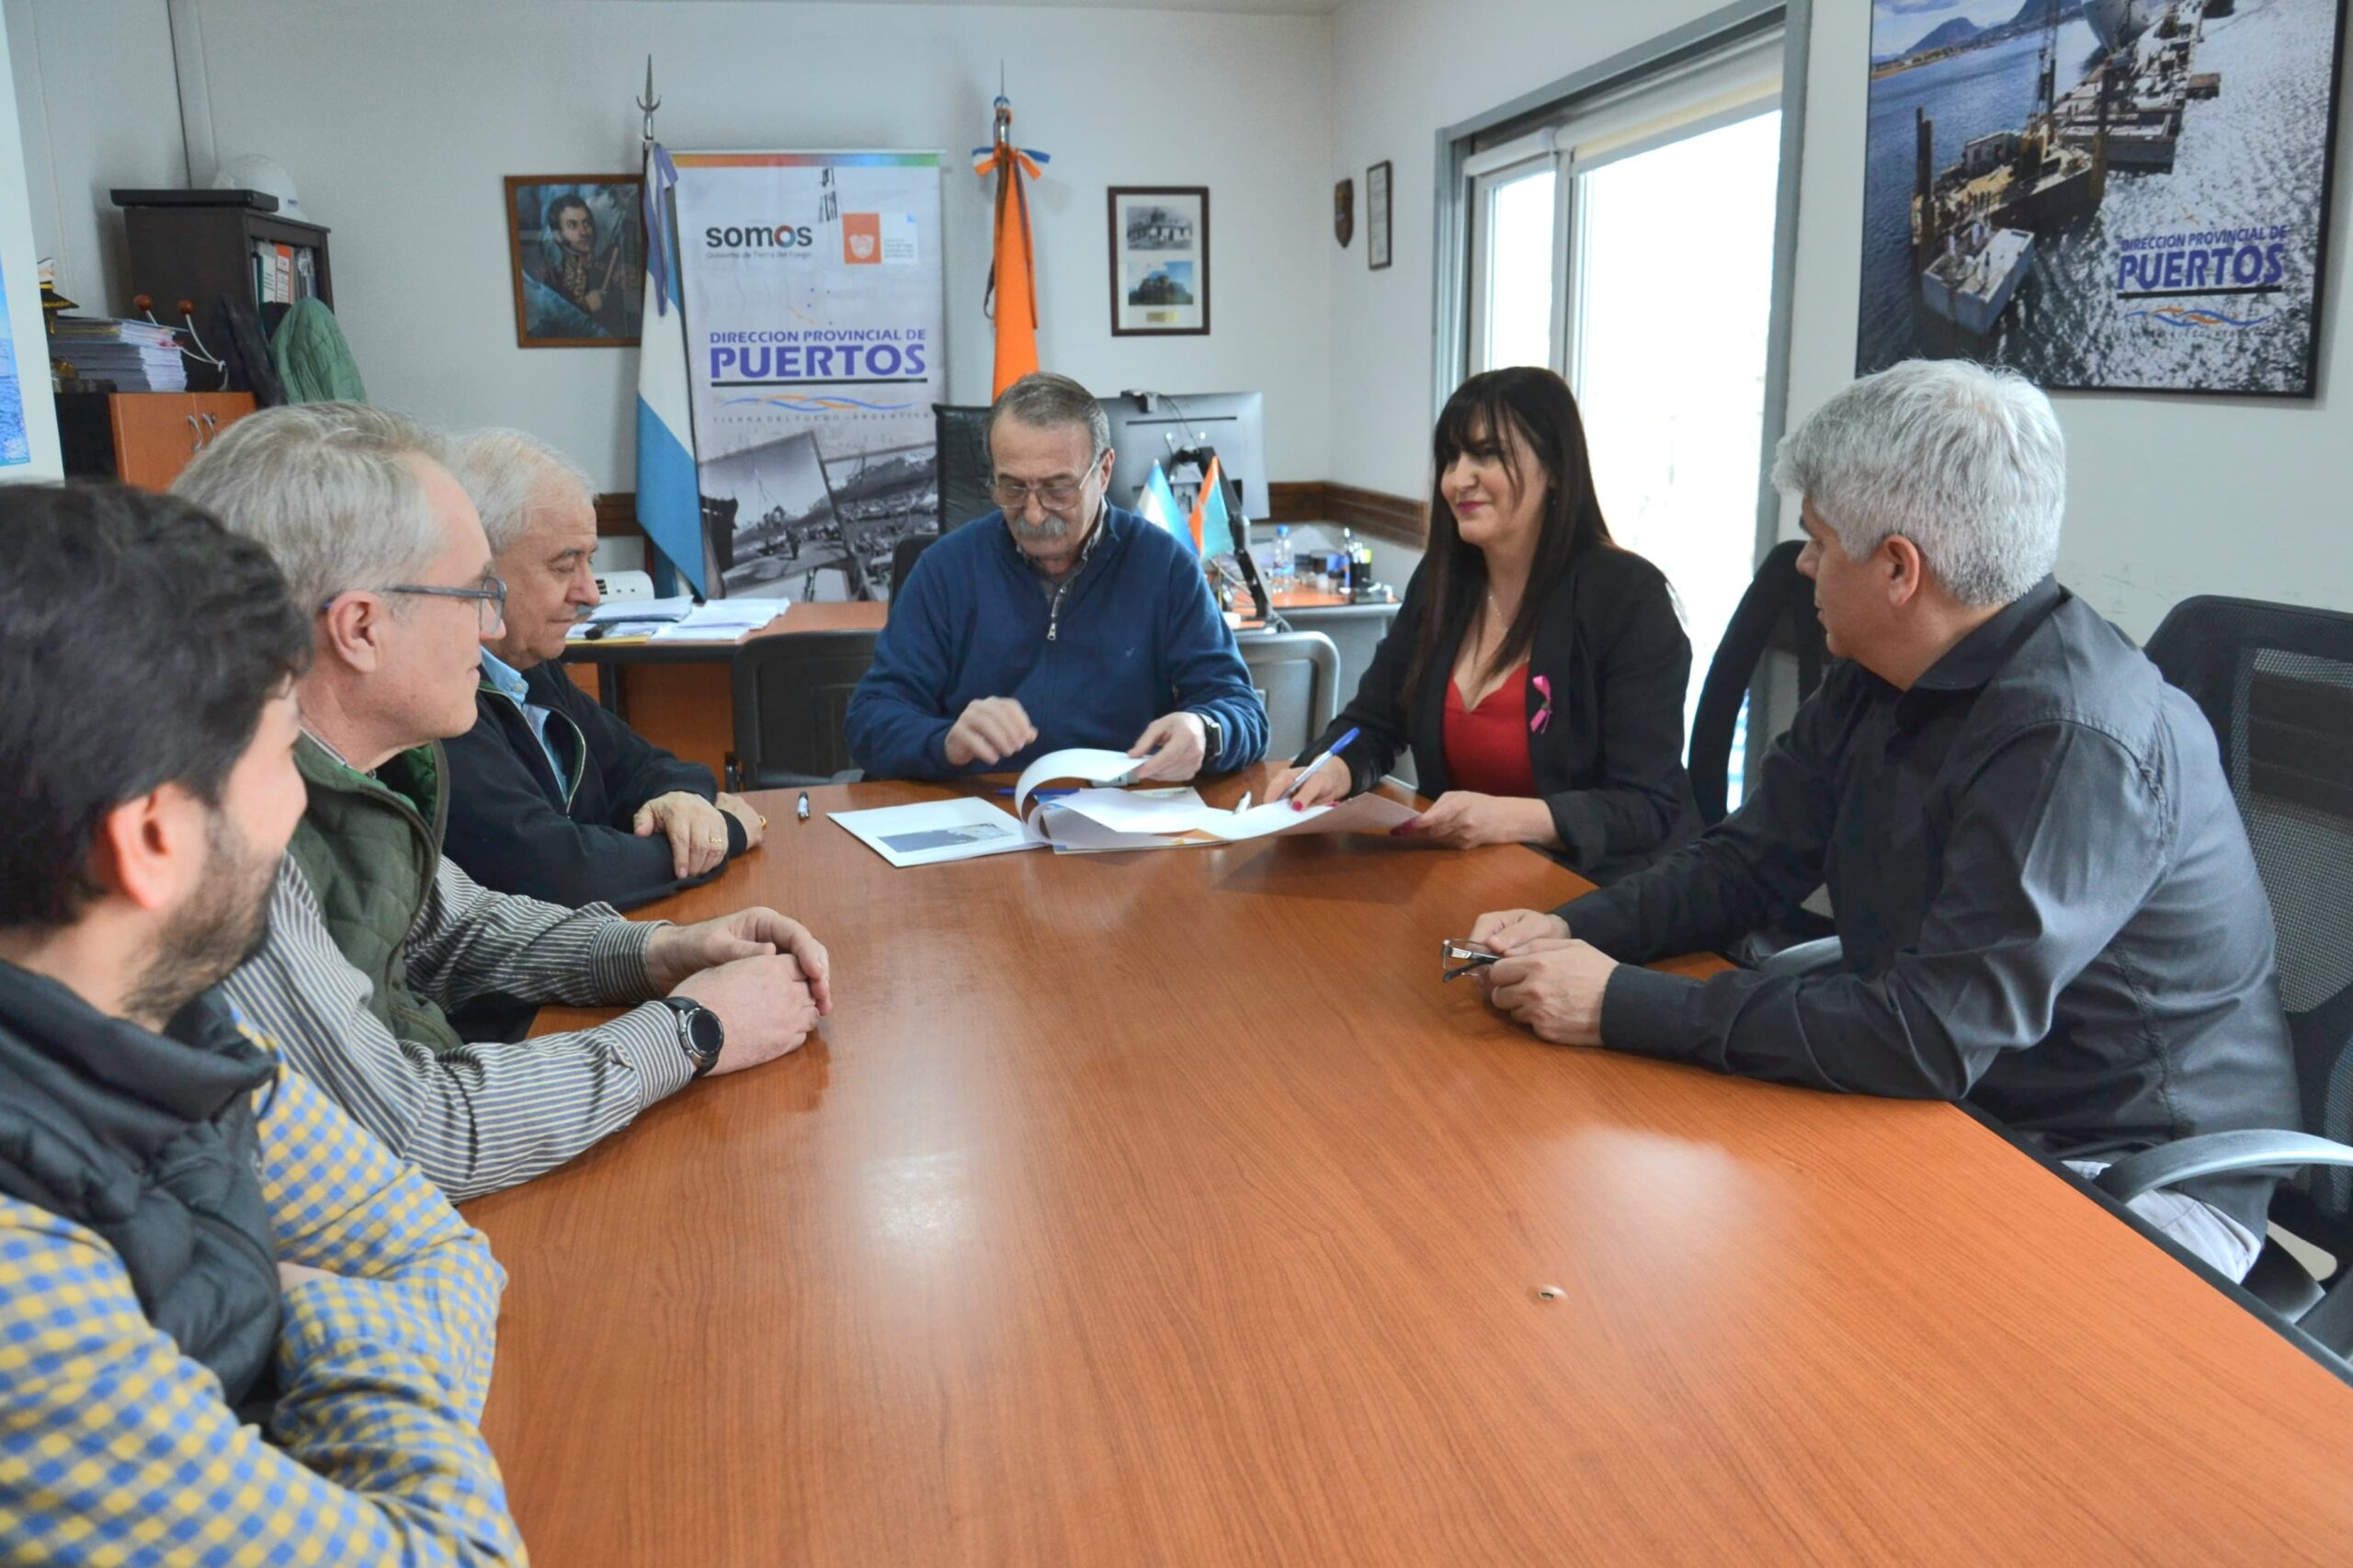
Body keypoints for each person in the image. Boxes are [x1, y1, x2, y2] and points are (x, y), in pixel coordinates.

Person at [1469, 358, 2300, 1282]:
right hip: (1966, 1103)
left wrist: (1619, 1001)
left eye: (1818, 540)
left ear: (1898, 568)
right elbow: (1748, 861)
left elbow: (1929, 1034)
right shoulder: (1881, 670)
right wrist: (1571, 928)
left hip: (2127, 1173)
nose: (1804, 565)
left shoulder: (2071, 735)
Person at [0, 484, 521, 1561]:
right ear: (151, 839)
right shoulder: (21, 1299)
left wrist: (275, 1345)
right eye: (281, 756)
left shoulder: (169, 1019)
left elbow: (441, 1250)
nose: (296, 802)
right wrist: (326, 1315)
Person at [176, 403, 833, 1202]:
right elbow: (411, 1134)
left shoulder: (334, 769)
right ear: (360, 628)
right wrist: (692, 1029)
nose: (491, 628)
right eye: (472, 592)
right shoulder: (218, 837)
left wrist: (663, 954)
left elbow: (457, 929)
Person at [1269, 368, 1699, 882]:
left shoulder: (1626, 596)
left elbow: (1647, 805)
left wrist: (1508, 818)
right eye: (1451, 458)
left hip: (1599, 894)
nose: (1457, 479)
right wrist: (1329, 768)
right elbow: (1375, 721)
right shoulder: (1443, 582)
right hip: (1468, 880)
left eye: (1487, 454)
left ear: (1557, 467)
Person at [846, 370, 1268, 781]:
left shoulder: (1164, 566)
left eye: (1057, 489)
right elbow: (870, 720)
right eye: (1011, 488)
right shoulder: (945, 570)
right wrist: (943, 741)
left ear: (1103, 473)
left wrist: (1206, 732)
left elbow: (1241, 710)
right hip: (977, 817)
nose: (1033, 512)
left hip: (1116, 821)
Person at [442, 428, 765, 909]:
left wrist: (683, 801)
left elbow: (651, 767)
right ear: (479, 570)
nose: (590, 594)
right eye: (564, 565)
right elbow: (562, 875)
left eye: (589, 561)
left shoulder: (529, 665)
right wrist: (724, 834)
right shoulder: (440, 699)